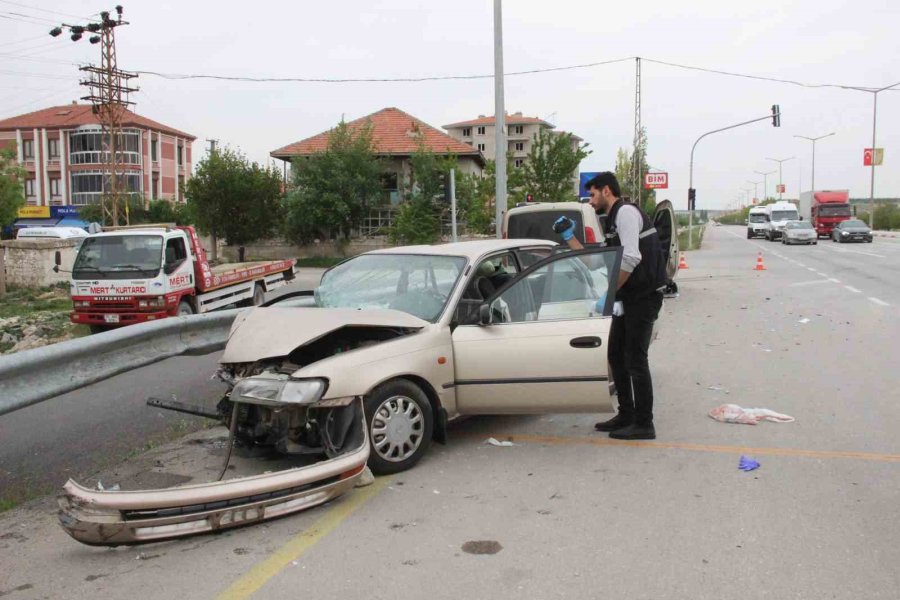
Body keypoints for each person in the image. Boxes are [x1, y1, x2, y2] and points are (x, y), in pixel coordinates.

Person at [553, 172, 666, 440]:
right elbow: (599, 262)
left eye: (592, 194)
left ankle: (644, 423)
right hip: (629, 297)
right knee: (616, 354)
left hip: (644, 295)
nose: (589, 200)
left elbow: (630, 258)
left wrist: (608, 293)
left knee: (635, 359)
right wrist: (569, 237)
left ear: (606, 191)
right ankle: (626, 414)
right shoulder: (611, 219)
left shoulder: (625, 212)